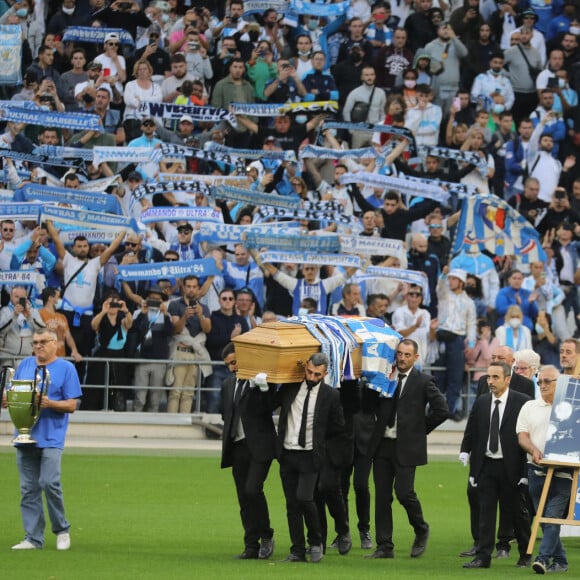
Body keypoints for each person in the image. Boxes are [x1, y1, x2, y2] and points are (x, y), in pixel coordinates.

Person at [365, 339, 449, 559]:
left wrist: (420, 431)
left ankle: (421, 528)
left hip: (407, 446)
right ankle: (384, 546)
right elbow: (368, 406)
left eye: (407, 355)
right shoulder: (385, 378)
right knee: (382, 497)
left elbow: (442, 410)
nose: (402, 358)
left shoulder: (423, 381)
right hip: (382, 445)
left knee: (404, 493)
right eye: (399, 354)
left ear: (415, 357)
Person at [3, 329, 82, 550]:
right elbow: (16, 393)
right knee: (28, 488)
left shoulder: (67, 368)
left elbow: (73, 404)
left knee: (50, 483)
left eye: (43, 342)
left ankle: (62, 529)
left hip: (51, 435)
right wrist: (9, 399)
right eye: (35, 342)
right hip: (25, 434)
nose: (38, 346)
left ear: (54, 343)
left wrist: (50, 403)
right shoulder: (25, 365)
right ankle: (33, 538)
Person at [275, 353, 345, 563]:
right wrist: (261, 386)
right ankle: (297, 550)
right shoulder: (290, 388)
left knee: (305, 498)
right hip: (287, 453)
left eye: (317, 374)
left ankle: (316, 541)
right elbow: (268, 404)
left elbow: (338, 426)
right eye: (309, 372)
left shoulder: (331, 395)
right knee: (291, 504)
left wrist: (323, 448)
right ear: (305, 367)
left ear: (325, 374)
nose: (312, 377)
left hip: (310, 455)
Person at [461, 361, 531, 569]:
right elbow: (472, 430)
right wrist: (465, 451)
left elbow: (529, 436)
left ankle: (525, 554)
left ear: (507, 379)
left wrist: (525, 471)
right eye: (488, 377)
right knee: (486, 513)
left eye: (495, 377)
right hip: (487, 466)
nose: (490, 381)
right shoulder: (482, 402)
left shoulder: (522, 402)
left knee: (517, 513)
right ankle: (483, 557)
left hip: (512, 467)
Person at [220, 343, 277, 560]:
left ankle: (266, 535)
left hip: (260, 446)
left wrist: (263, 388)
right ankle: (251, 545)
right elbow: (225, 413)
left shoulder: (260, 380)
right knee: (244, 497)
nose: (232, 368)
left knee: (253, 490)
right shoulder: (227, 385)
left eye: (234, 362)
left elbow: (270, 406)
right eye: (228, 365)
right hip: (238, 446)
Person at [516, 365, 571, 574]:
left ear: (560, 383)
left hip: (565, 471)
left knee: (551, 515)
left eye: (548, 381)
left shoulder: (571, 407)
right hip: (536, 469)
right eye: (539, 381)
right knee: (542, 518)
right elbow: (522, 435)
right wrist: (534, 450)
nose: (542, 385)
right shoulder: (530, 406)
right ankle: (561, 561)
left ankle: (542, 558)